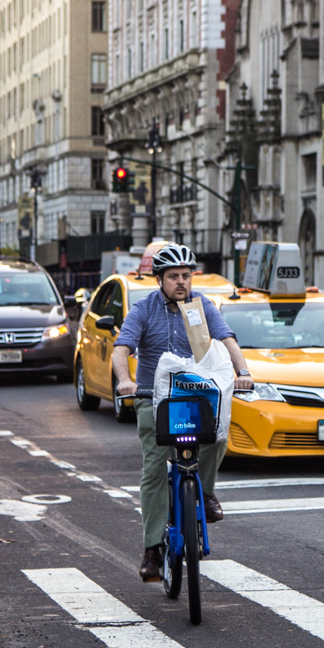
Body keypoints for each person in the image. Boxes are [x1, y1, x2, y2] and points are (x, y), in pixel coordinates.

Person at [112, 244, 254, 582]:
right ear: (159, 279)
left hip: (195, 394)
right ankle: (152, 549)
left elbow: (227, 339)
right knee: (154, 469)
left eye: (185, 276)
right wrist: (124, 381)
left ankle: (204, 492)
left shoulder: (202, 306)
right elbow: (121, 350)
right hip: (153, 399)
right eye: (173, 276)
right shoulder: (143, 310)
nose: (180, 282)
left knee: (219, 434)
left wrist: (243, 372)